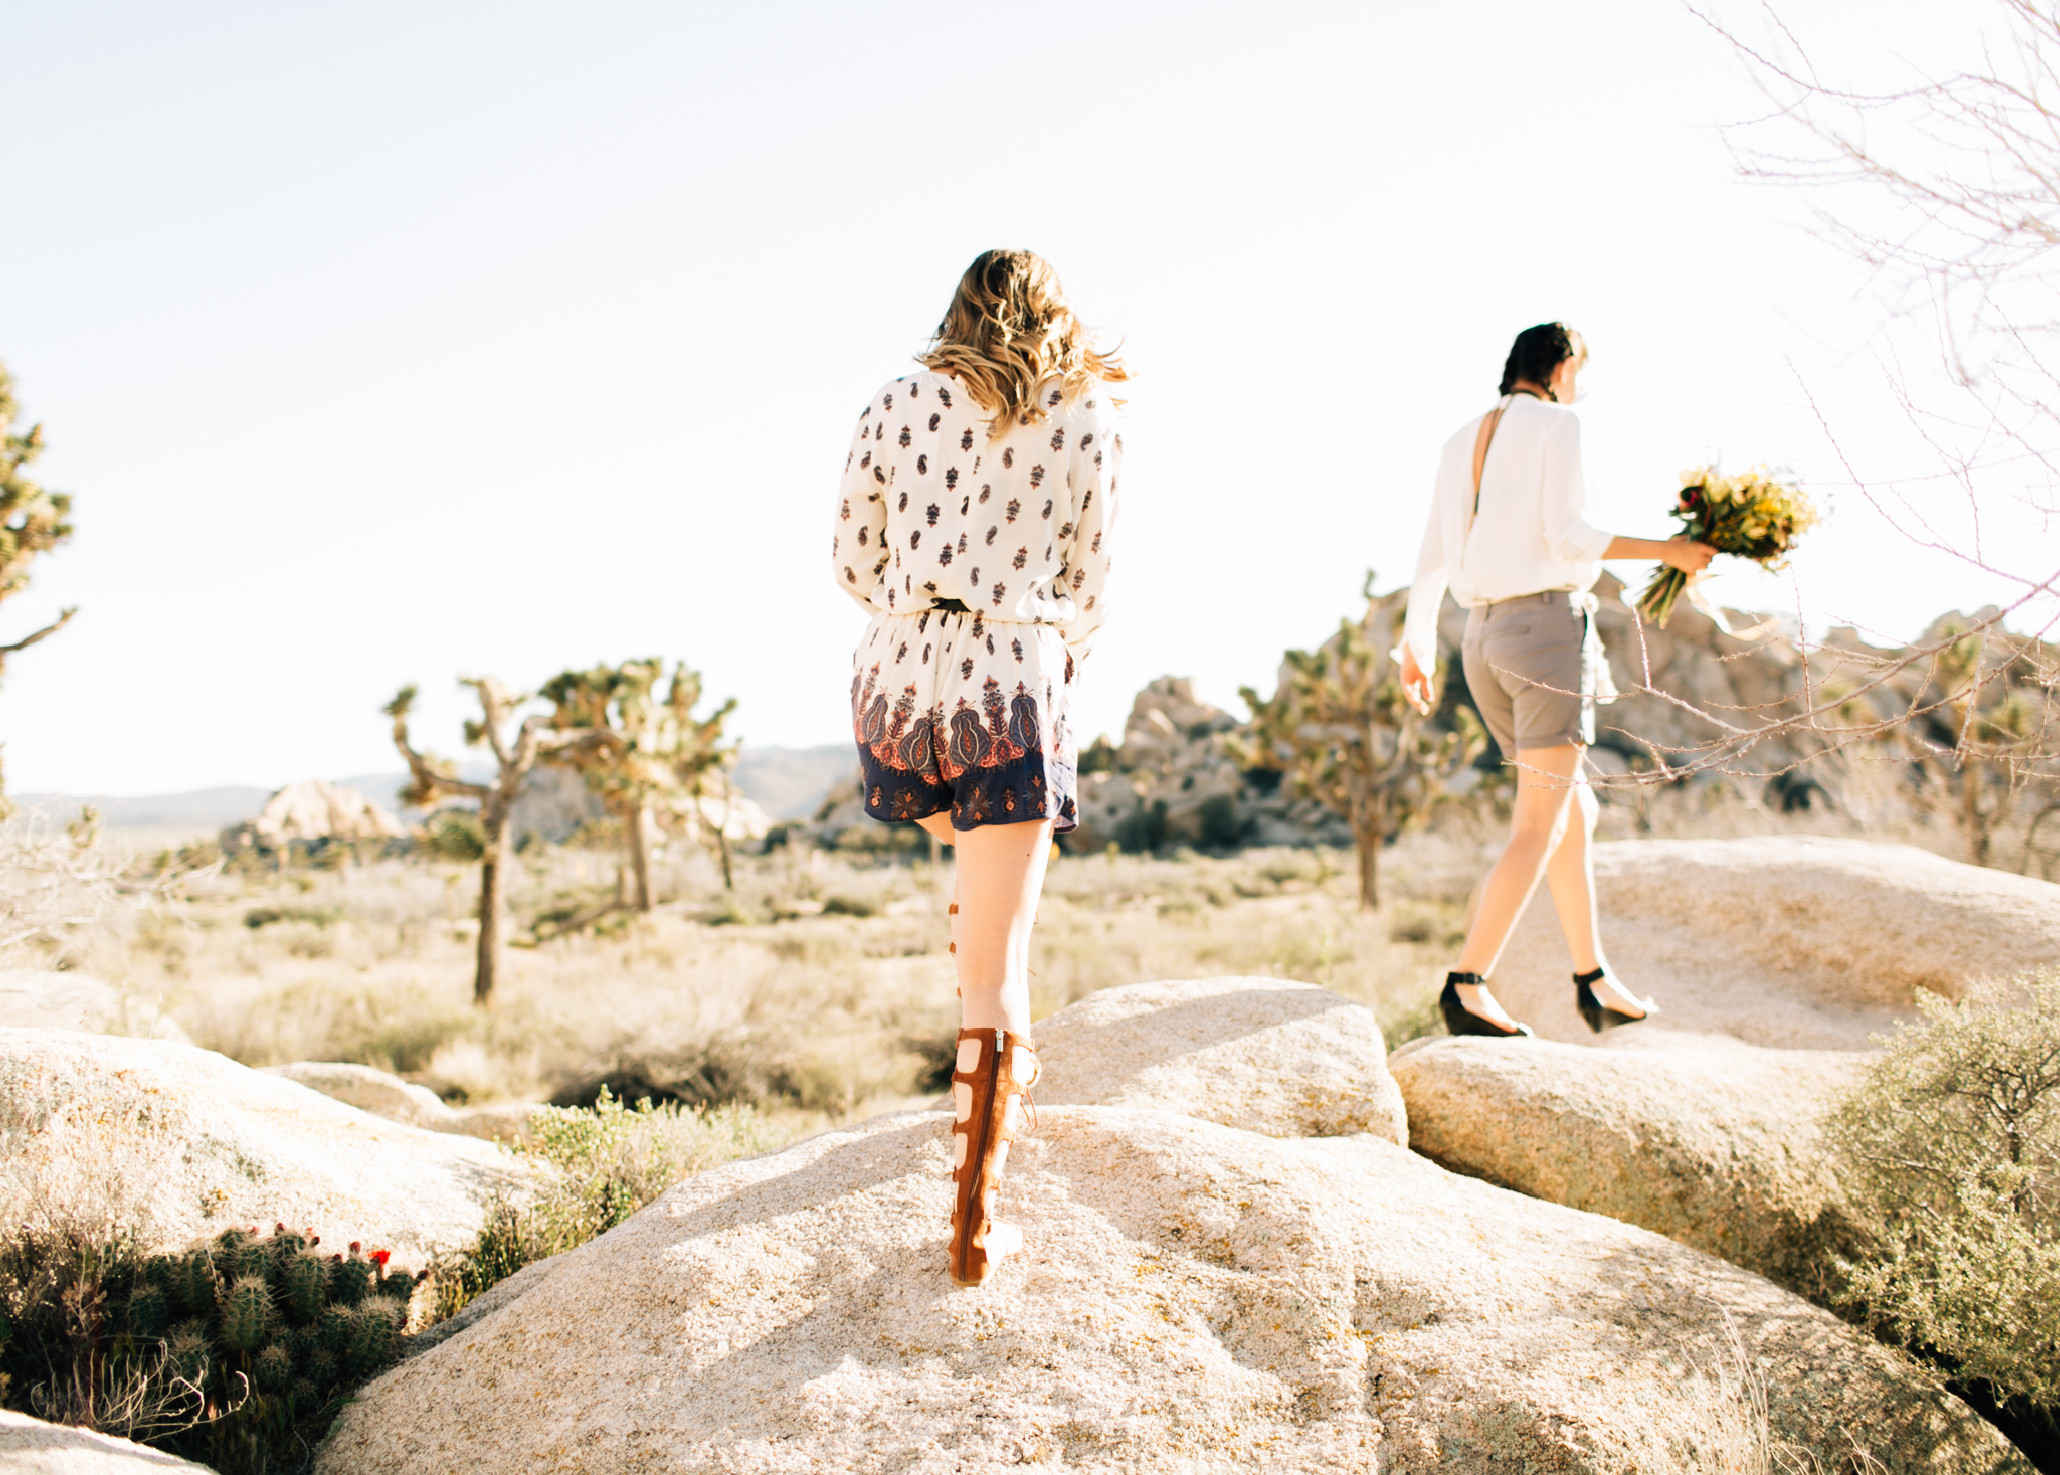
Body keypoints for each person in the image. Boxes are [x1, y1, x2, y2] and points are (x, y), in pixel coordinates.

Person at [830, 249, 1124, 1285]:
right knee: (1002, 961)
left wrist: (916, 600)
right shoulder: (1082, 409)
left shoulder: (897, 396)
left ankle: (982, 1093)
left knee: (974, 892)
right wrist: (1050, 636)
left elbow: (850, 560)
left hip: (898, 680)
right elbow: (1090, 578)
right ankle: (973, 1217)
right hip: (1009, 672)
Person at [1396, 323, 1713, 1039]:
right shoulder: (1560, 425)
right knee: (1538, 824)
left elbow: (1432, 550)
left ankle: (1593, 977)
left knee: (1575, 813)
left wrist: (1414, 645)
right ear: (1562, 367)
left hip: (1482, 642)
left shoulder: (1460, 440)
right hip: (1543, 636)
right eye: (1581, 373)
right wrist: (1671, 550)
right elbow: (1571, 535)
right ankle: (1467, 983)